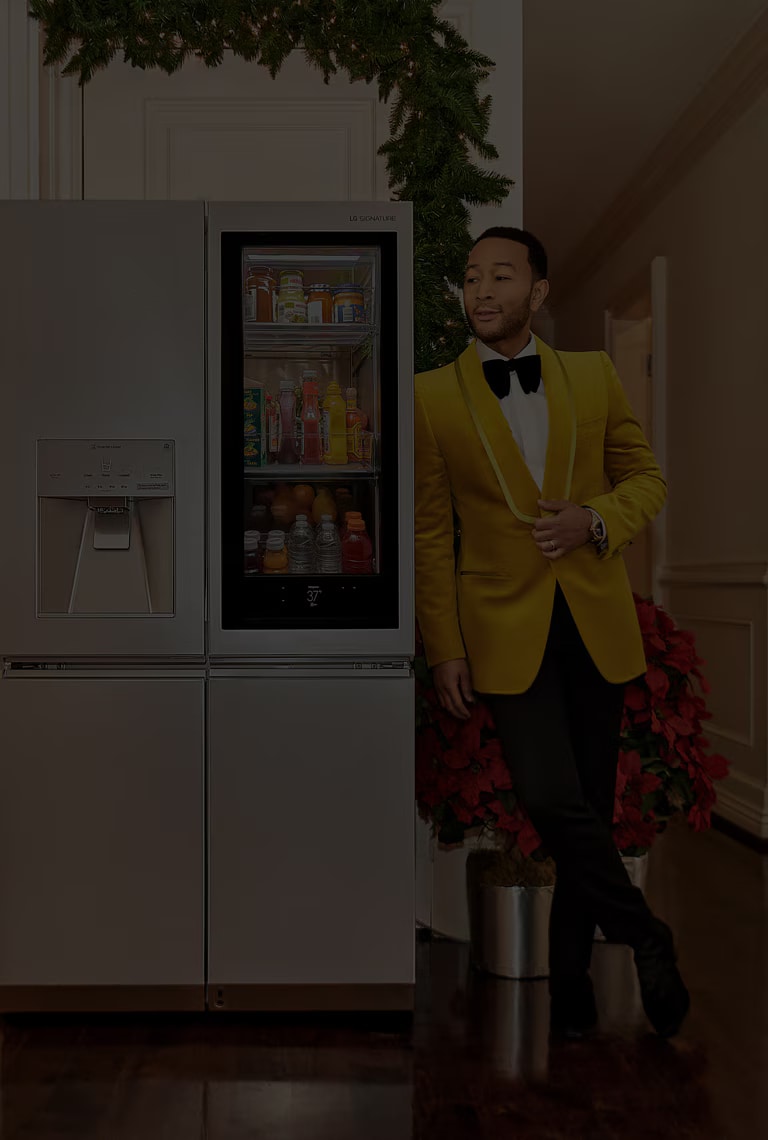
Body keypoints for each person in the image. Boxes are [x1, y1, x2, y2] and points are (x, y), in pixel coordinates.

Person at [414, 225, 690, 1040]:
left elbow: (647, 478)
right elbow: (432, 533)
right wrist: (445, 646)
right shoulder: (434, 396)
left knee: (591, 810)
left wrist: (595, 521)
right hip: (501, 626)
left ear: (537, 293)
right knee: (547, 794)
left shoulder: (593, 374)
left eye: (501, 276)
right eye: (471, 277)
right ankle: (645, 931)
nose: (482, 290)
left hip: (593, 619)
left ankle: (569, 984)